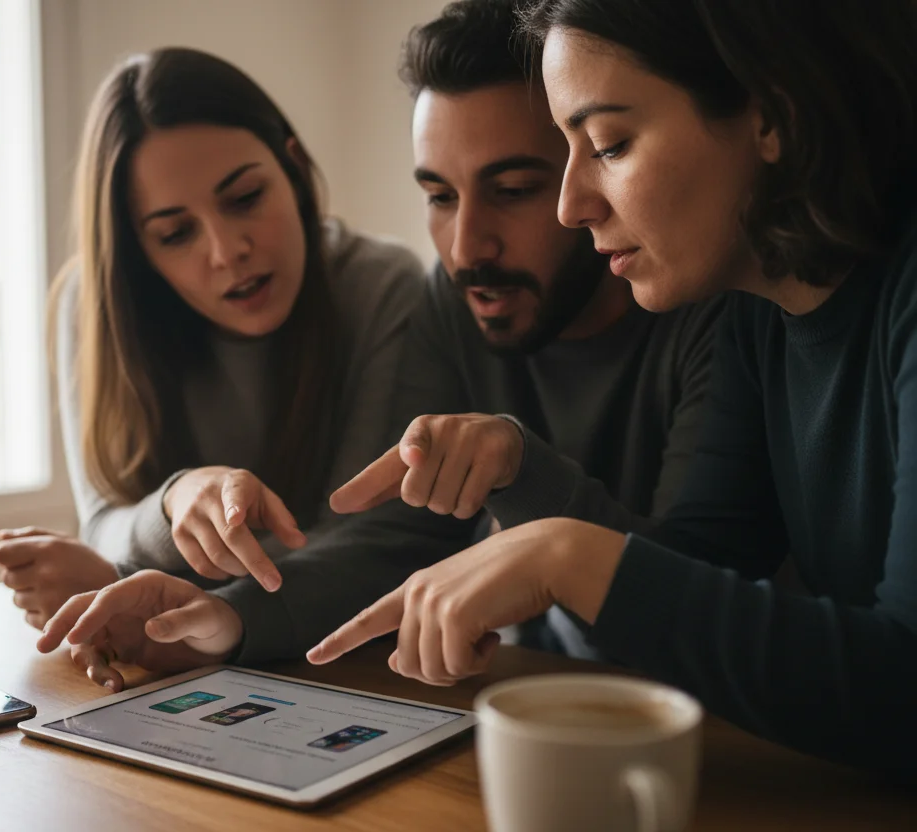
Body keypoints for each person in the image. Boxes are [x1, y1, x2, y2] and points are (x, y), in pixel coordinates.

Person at [308, 0, 917, 778]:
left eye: (609, 144)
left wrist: (567, 555)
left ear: (773, 115)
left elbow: (904, 683)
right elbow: (693, 571)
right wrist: (522, 475)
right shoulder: (754, 306)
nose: (573, 204)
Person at [36, 0, 721, 687]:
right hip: (532, 696)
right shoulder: (452, 302)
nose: (465, 248)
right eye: (439, 196)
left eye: (513, 190)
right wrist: (225, 621)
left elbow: (700, 591)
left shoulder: (707, 311)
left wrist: (520, 471)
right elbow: (395, 537)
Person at [0, 48, 425, 633]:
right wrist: (176, 501)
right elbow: (101, 523)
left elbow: (364, 546)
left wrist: (124, 584)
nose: (227, 252)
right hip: (190, 660)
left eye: (246, 198)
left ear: (294, 170)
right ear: (138, 251)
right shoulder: (96, 304)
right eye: (175, 233)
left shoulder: (380, 285)